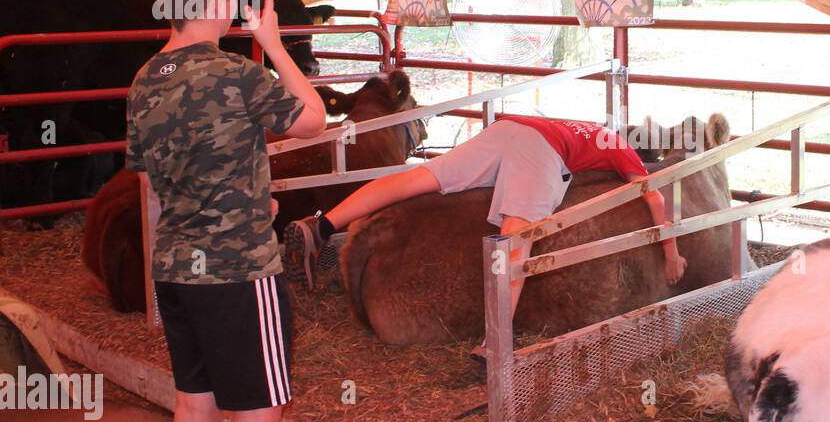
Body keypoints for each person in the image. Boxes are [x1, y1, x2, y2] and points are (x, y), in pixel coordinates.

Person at [126, 0, 326, 422]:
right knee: (259, 413)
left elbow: (174, 176)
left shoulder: (142, 81)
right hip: (239, 274)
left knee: (194, 403)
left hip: (175, 270)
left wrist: (252, 202)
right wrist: (271, 44)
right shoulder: (235, 73)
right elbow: (313, 118)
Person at [283, 113, 687, 310]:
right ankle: (495, 343)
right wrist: (672, 255)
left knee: (421, 177)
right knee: (518, 233)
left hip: (510, 128)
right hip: (541, 149)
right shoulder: (623, 147)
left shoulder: (589, 127)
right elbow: (652, 197)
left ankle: (324, 225)